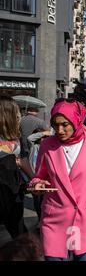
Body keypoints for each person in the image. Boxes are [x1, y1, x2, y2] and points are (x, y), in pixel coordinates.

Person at [28, 99, 86, 260]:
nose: (60, 130)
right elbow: (38, 176)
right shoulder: (47, 145)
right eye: (56, 125)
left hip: (84, 219)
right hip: (55, 219)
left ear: (76, 121)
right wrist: (37, 185)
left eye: (65, 124)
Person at [0, 96, 34, 239]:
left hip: (14, 189)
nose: (20, 115)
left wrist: (35, 178)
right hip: (1, 188)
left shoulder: (16, 136)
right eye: (17, 111)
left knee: (18, 229)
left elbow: (23, 160)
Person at [27, 128, 52, 221]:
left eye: (46, 137)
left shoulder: (48, 147)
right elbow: (29, 138)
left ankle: (44, 218)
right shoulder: (34, 146)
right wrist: (43, 133)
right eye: (42, 137)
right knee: (37, 201)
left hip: (43, 179)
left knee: (44, 201)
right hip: (33, 178)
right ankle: (39, 219)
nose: (44, 139)